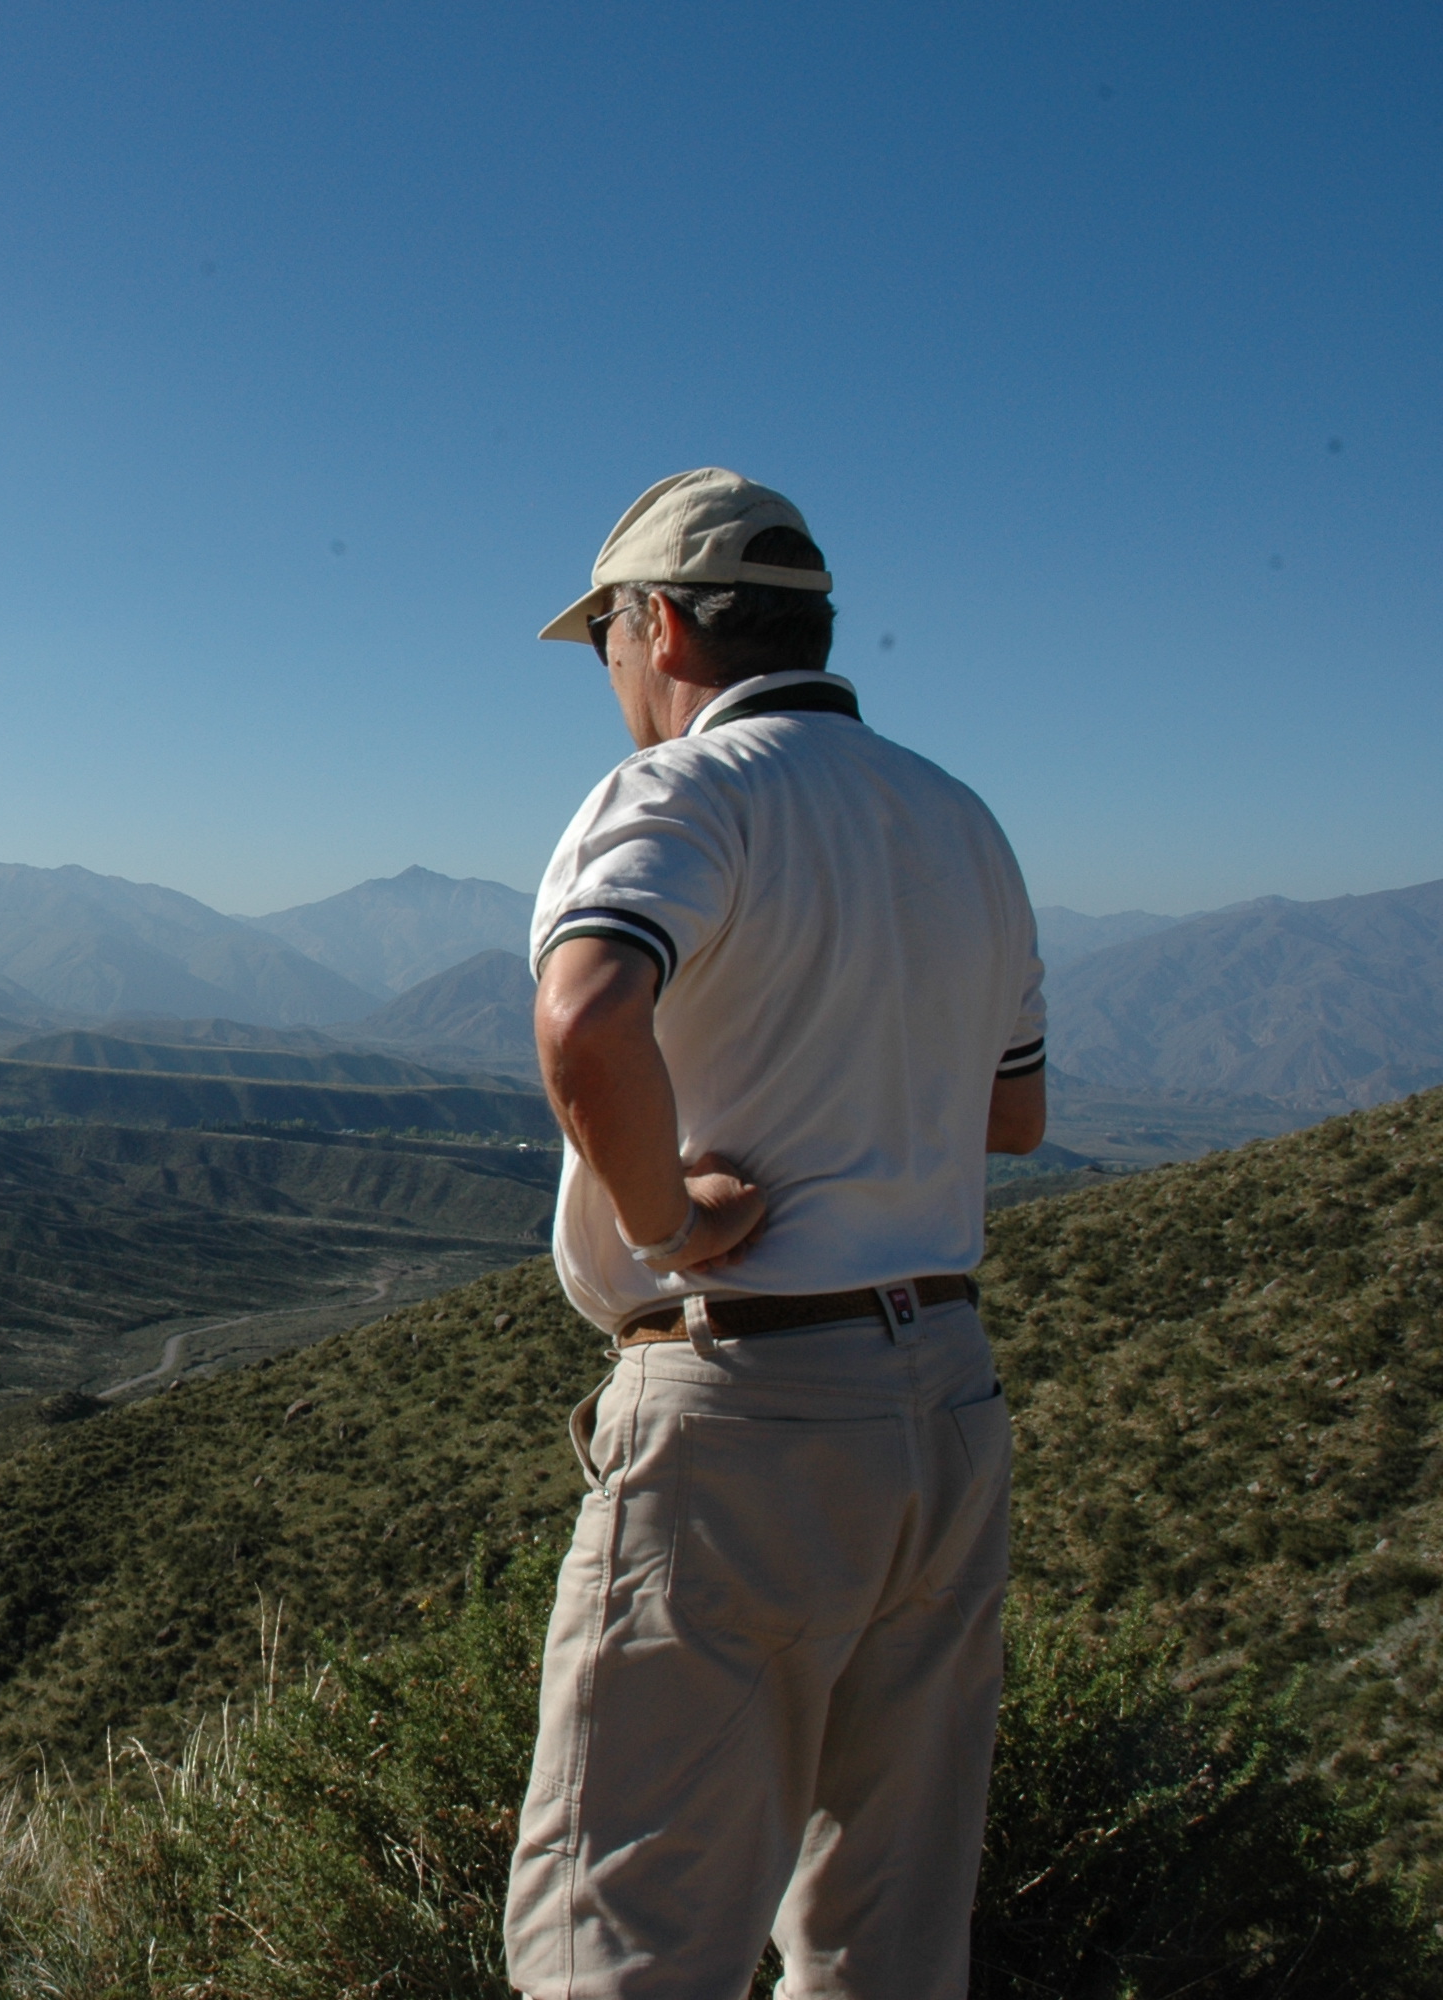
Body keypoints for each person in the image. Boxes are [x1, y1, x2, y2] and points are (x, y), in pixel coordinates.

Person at [501, 469, 1048, 2000]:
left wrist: (671, 1218)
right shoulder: (961, 822)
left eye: (604, 638)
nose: (608, 679)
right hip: (942, 1403)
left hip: (747, 1413)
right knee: (886, 1931)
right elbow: (1014, 1116)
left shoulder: (682, 794)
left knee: (624, 1932)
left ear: (658, 622)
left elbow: (588, 1013)